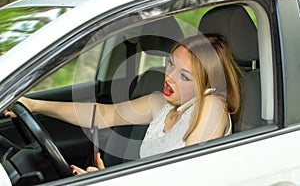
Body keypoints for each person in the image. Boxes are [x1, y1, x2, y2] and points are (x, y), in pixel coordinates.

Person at [4, 33, 243, 175]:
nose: (169, 76)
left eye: (184, 76)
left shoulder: (212, 105)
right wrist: (35, 105)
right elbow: (104, 115)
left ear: (207, 84)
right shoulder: (162, 104)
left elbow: (185, 174)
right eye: (170, 64)